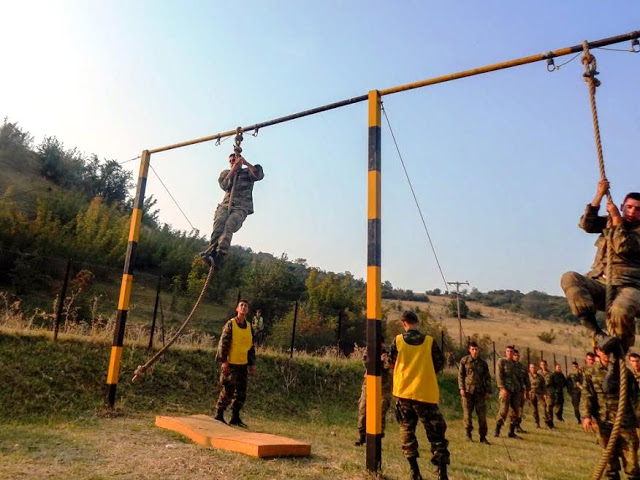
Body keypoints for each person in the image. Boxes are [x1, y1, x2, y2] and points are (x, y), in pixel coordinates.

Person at [561, 181, 640, 354]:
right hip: (602, 283)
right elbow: (587, 225)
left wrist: (617, 218)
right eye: (629, 207)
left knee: (619, 311)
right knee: (570, 277)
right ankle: (596, 333)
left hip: (630, 288)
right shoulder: (608, 222)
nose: (632, 212)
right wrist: (598, 195)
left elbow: (623, 246)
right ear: (622, 206)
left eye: (637, 209)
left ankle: (619, 352)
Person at [390, 311, 450, 480]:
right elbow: (439, 364)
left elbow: (390, 363)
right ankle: (442, 473)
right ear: (417, 322)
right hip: (425, 394)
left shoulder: (398, 341)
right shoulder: (430, 342)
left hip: (404, 394)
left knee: (407, 432)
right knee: (437, 435)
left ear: (404, 323)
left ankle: (415, 472)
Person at [581, 345, 640, 480]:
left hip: (625, 423)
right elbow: (587, 395)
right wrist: (586, 416)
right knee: (610, 464)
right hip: (604, 424)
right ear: (597, 351)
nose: (607, 353)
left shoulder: (625, 373)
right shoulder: (591, 373)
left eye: (610, 350)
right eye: (603, 350)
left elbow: (636, 399)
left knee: (632, 464)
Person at [200, 152, 264, 269]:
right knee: (218, 225)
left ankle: (220, 255)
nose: (232, 162)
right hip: (225, 205)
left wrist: (244, 163)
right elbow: (224, 185)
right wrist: (234, 169)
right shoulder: (226, 173)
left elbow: (258, 175)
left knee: (229, 225)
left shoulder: (247, 172)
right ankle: (212, 252)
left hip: (241, 207)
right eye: (231, 161)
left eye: (235, 160)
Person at [213, 299, 256, 427]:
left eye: (246, 306)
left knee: (241, 391)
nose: (243, 308)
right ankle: (219, 413)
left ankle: (235, 416)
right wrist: (224, 361)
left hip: (243, 363)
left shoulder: (249, 327)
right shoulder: (230, 324)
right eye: (241, 305)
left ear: (248, 310)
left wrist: (252, 364)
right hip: (231, 363)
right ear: (237, 309)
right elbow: (223, 343)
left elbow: (251, 346)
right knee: (228, 389)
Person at [355, 338, 393, 446]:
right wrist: (377, 360)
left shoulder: (388, 351)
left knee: (380, 412)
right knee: (363, 409)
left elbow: (388, 366)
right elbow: (367, 364)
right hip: (369, 383)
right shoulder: (369, 350)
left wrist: (383, 360)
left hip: (383, 385)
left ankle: (377, 439)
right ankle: (362, 436)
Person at [458, 342, 492, 444]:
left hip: (480, 392)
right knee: (467, 415)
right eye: (473, 349)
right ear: (469, 350)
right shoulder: (464, 361)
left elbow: (487, 378)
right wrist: (461, 388)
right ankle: (468, 434)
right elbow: (460, 375)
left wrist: (488, 391)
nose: (475, 351)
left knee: (482, 416)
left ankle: (483, 437)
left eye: (476, 349)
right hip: (468, 391)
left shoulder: (483, 363)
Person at [494, 345, 522, 439]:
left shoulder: (516, 365)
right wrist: (502, 388)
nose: (510, 353)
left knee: (515, 411)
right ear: (505, 352)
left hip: (515, 390)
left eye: (511, 351)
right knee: (503, 410)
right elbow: (499, 375)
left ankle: (511, 431)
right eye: (508, 351)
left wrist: (522, 390)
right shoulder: (501, 362)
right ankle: (497, 430)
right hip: (506, 390)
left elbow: (519, 378)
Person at [512, 350, 530, 433]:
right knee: (513, 409)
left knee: (520, 409)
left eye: (518, 355)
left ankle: (518, 425)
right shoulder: (510, 366)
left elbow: (527, 380)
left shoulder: (522, 367)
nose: (516, 357)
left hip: (521, 390)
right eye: (515, 355)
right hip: (512, 391)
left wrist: (527, 390)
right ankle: (512, 426)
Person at [528, 363, 547, 429]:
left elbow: (544, 386)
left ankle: (546, 422)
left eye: (534, 367)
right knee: (534, 409)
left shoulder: (540, 377)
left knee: (543, 407)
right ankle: (537, 423)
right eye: (531, 368)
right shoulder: (527, 377)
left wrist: (545, 394)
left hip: (539, 394)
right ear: (529, 369)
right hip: (531, 394)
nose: (533, 369)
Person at [539, 360, 555, 429]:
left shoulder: (551, 374)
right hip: (541, 392)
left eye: (544, 364)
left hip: (549, 392)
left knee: (549, 407)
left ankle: (550, 421)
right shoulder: (538, 373)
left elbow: (555, 383)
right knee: (543, 408)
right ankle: (546, 421)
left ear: (546, 365)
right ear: (540, 365)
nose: (543, 366)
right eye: (542, 364)